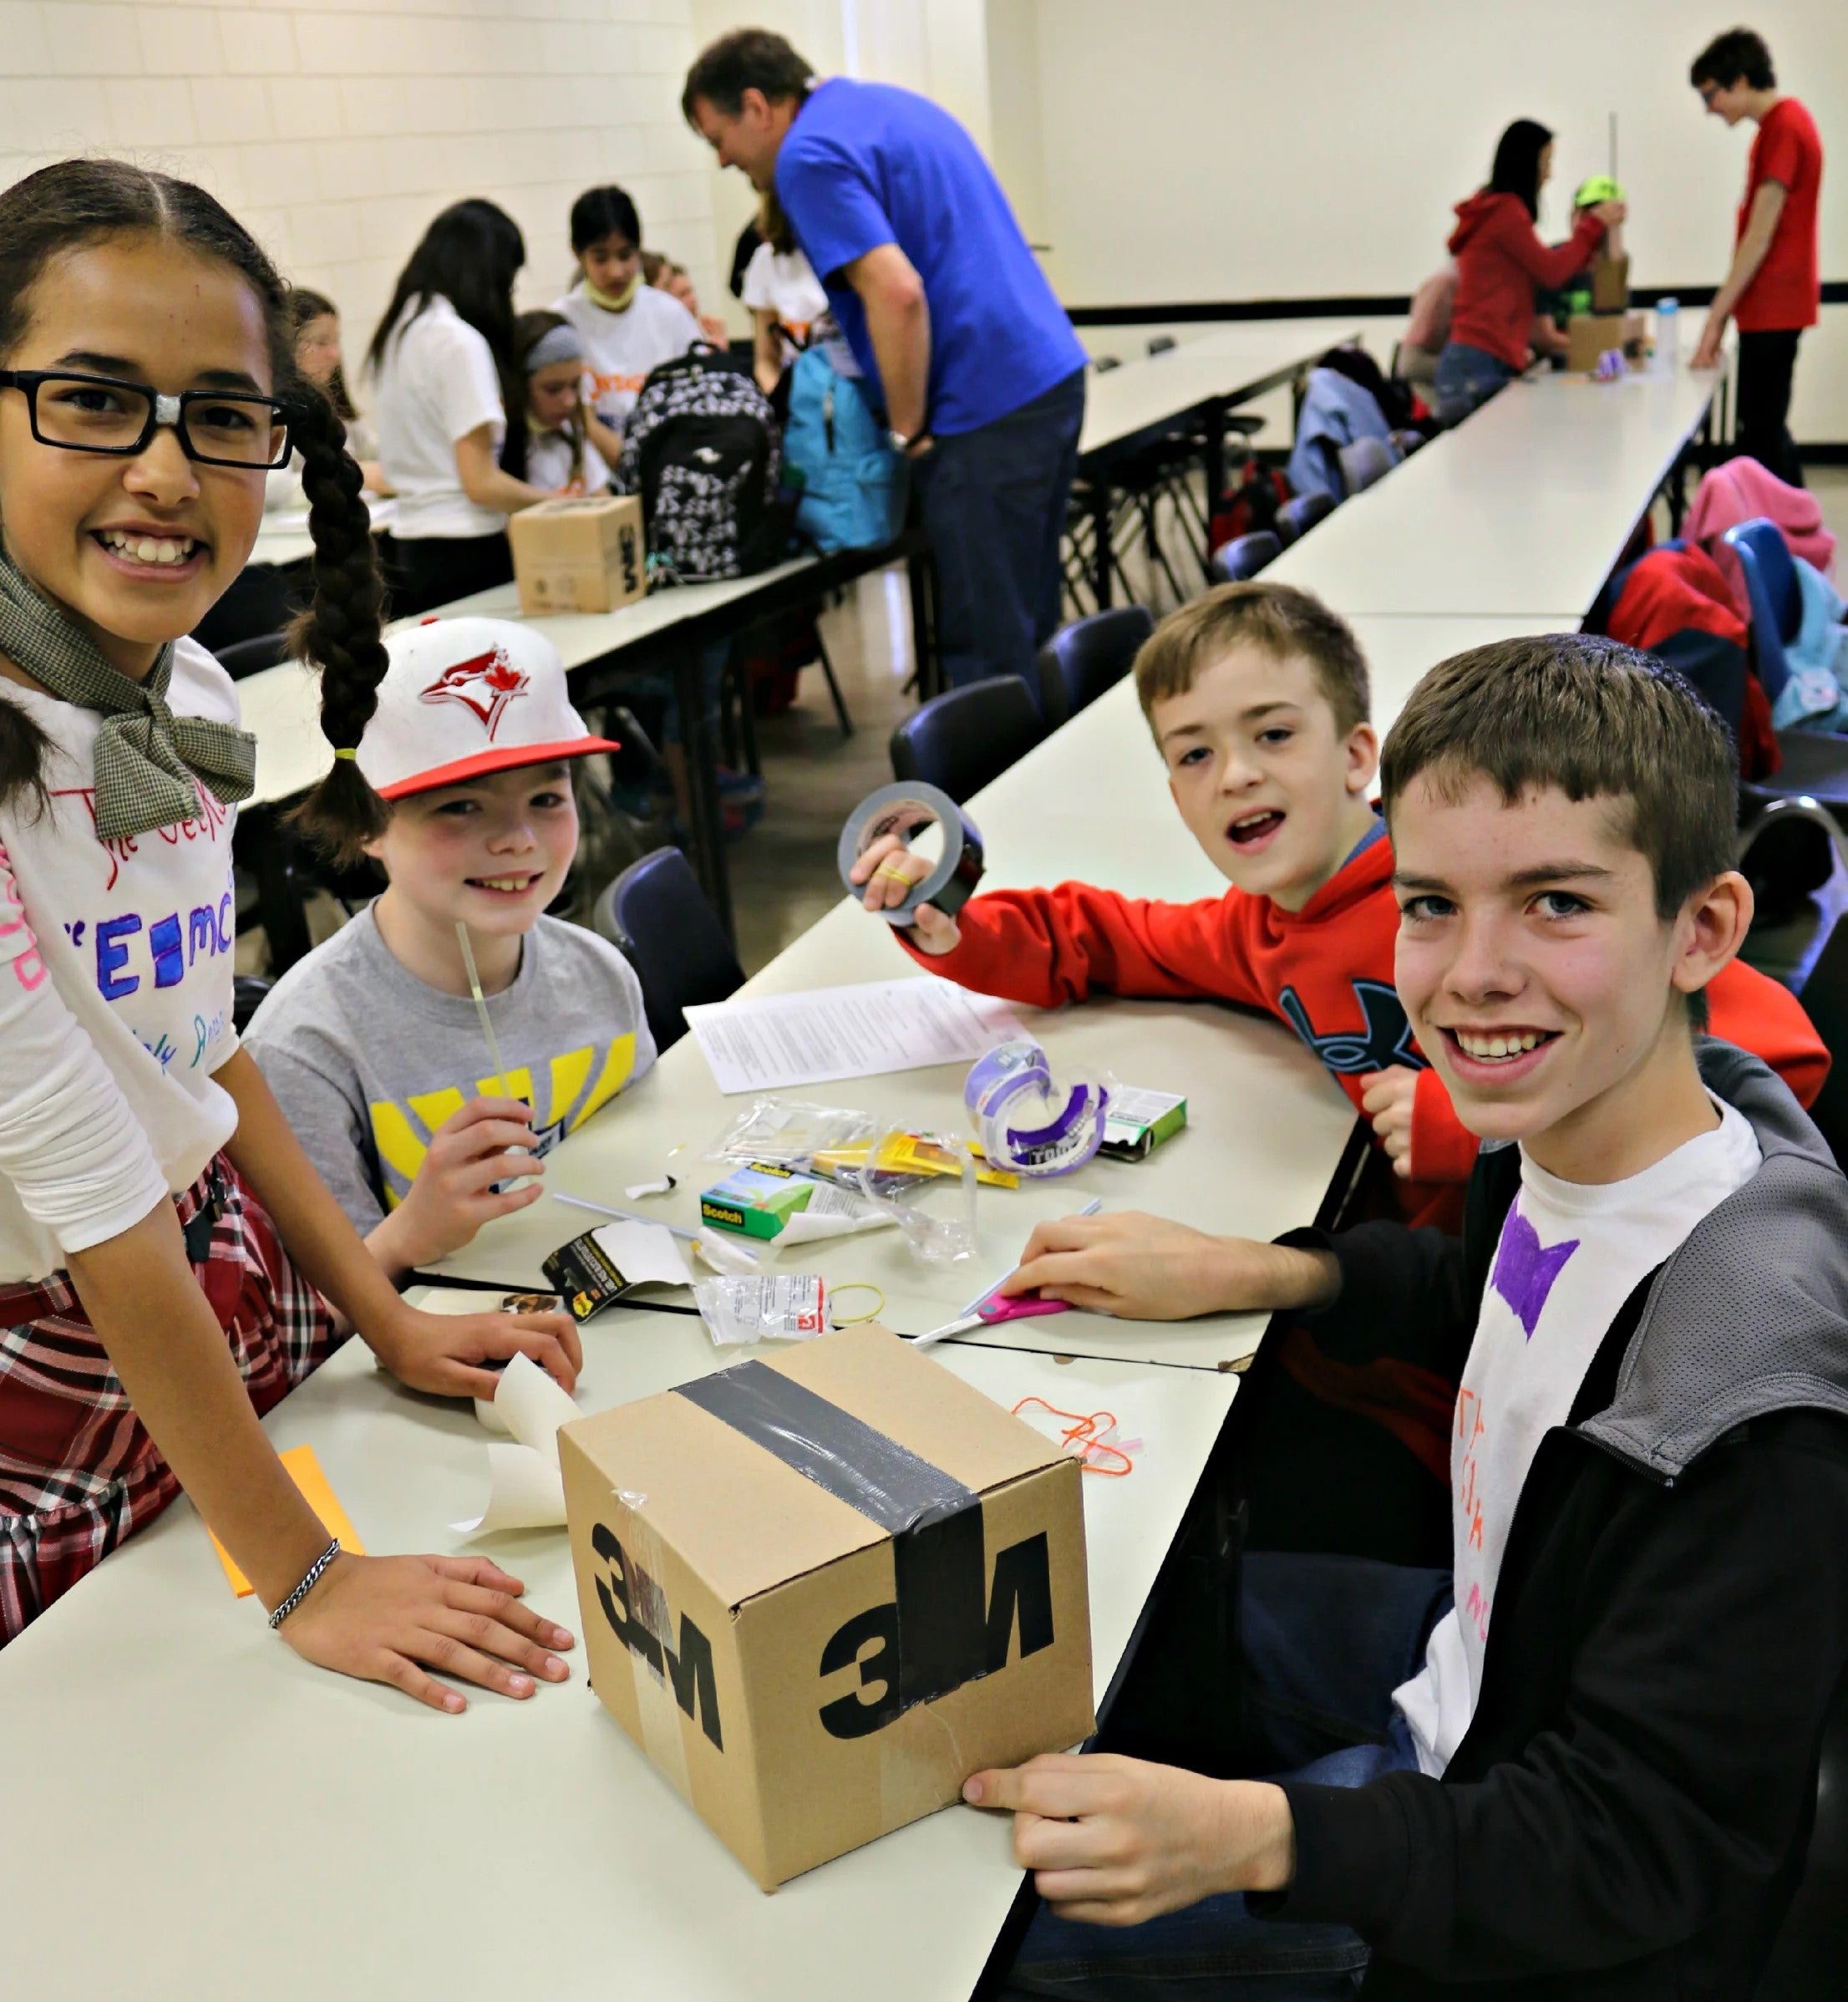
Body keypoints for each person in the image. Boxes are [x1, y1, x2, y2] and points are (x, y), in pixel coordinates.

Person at [967, 635, 1848, 1999]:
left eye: (1554, 902)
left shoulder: (1748, 1408)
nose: (1468, 975)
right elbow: (1489, 1294)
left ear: (1702, 931)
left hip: (1526, 1875)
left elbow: (1641, 1845)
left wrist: (1255, 1836)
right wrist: (1270, 1271)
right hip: (1474, 1648)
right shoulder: (1576, 1123)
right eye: (1430, 902)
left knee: (1007, 1950)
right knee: (1098, 1628)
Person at [0, 158, 584, 1705]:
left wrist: (382, 1315)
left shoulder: (178, 691)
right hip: (52, 1356)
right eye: (94, 401)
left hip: (206, 1289)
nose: (167, 472)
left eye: (222, 415)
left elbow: (201, 1041)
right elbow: (88, 1194)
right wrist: (306, 1571)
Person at [850, 583, 1826, 1221]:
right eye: (1194, 753)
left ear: (1357, 755)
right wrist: (949, 923)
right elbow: (1099, 940)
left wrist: (1483, 1123)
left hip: (1535, 1283)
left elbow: (1773, 1046)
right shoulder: (1255, 929)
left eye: (1272, 734)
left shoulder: (1469, 894)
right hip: (1419, 1267)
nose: (1234, 773)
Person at [683, 28, 1088, 702]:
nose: (723, 159)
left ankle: (995, 805)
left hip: (980, 406)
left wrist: (908, 430)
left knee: (988, 654)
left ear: (757, 106)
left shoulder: (806, 157)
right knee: (1031, 623)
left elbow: (896, 293)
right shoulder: (887, 107)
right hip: (1047, 377)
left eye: (716, 137)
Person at [246, 617, 653, 1281]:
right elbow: (310, 1322)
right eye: (461, 807)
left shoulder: (600, 974)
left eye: (547, 797)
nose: (518, 838)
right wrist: (412, 1233)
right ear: (367, 826)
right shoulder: (305, 1045)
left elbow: (653, 1171)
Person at [368, 200, 551, 615]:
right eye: (508, 283)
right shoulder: (456, 341)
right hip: (466, 553)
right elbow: (481, 483)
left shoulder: (398, 333)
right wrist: (557, 503)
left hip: (412, 549)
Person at [1690, 27, 1824, 487]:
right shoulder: (1779, 127)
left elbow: (1758, 237)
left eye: (1711, 94)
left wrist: (1715, 317)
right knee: (1765, 433)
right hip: (1770, 307)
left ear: (1740, 81)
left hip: (1774, 306)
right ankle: (1796, 533)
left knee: (1761, 439)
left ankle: (1790, 538)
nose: (1710, 108)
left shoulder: (1785, 126)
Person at [1435, 119, 1623, 421]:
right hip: (1480, 360)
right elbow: (1553, 271)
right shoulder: (1505, 213)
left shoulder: (1496, 210)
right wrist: (1594, 225)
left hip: (1479, 357)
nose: (1549, 173)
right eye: (1546, 162)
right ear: (1527, 164)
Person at [554, 185, 702, 443]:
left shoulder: (670, 315)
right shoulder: (561, 323)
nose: (616, 272)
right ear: (577, 254)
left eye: (626, 255)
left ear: (639, 247)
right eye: (601, 258)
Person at [266, 287, 383, 511]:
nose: (335, 355)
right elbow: (269, 487)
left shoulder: (339, 412)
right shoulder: (273, 413)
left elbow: (374, 451)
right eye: (321, 343)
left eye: (335, 341)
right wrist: (350, 477)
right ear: (285, 347)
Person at [740, 190, 856, 396]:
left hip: (856, 395)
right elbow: (766, 360)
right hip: (800, 401)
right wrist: (786, 404)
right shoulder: (767, 260)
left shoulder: (854, 250)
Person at [514, 310, 613, 495]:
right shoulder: (505, 451)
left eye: (575, 386)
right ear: (521, 386)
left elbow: (604, 502)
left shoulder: (571, 432)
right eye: (553, 389)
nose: (569, 402)